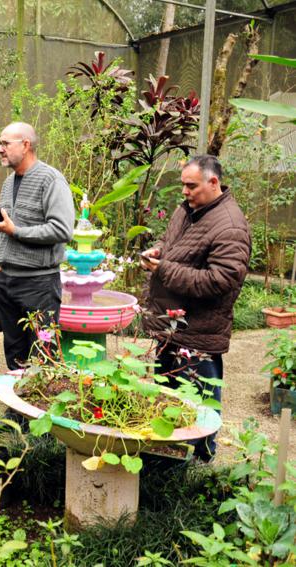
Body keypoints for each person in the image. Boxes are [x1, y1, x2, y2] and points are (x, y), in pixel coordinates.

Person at [141, 155, 250, 462]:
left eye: (191, 186)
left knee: (201, 403)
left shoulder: (230, 225)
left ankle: (201, 463)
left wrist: (163, 269)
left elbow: (221, 280)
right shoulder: (188, 209)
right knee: (167, 397)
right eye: (183, 185)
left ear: (213, 182)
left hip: (198, 334)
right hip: (171, 327)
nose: (185, 192)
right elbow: (174, 242)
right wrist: (160, 250)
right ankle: (168, 459)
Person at [0, 122, 75, 371]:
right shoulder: (8, 183)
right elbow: (2, 229)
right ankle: (17, 409)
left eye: (5, 143)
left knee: (44, 351)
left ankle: (41, 408)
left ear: (25, 145)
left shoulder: (50, 179)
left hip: (38, 284)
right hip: (6, 282)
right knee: (14, 349)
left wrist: (16, 231)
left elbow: (62, 230)